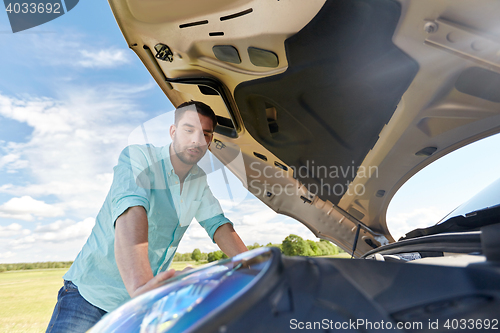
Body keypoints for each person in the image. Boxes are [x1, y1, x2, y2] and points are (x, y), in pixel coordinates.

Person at [46, 101, 248, 333]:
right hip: (90, 296)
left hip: (137, 306)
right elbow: (132, 207)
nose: (197, 140)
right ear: (173, 131)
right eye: (189, 130)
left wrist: (255, 266)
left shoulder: (199, 181)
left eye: (205, 134)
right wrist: (140, 285)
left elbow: (218, 224)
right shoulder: (139, 157)